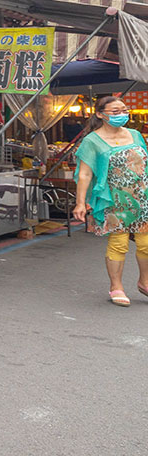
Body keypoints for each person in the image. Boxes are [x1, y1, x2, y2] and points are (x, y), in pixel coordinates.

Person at [72, 96, 148, 306]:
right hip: (113, 199)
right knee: (119, 242)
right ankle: (116, 286)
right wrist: (80, 203)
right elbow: (85, 174)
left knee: (146, 243)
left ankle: (144, 282)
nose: (122, 114)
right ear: (100, 114)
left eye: (124, 110)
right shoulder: (92, 141)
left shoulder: (135, 135)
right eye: (115, 111)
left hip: (142, 198)